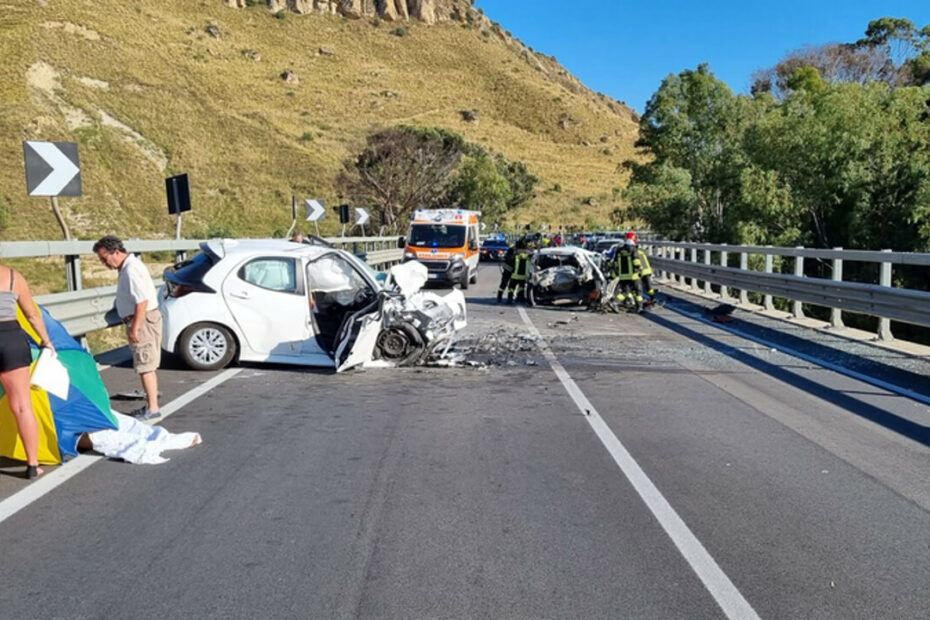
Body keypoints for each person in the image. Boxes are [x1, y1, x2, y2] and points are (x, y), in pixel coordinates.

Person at [93, 236, 162, 421]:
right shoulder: (129, 266)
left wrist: (135, 329)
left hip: (142, 320)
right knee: (146, 365)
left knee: (145, 365)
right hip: (144, 318)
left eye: (104, 258)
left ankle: (153, 409)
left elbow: (141, 301)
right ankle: (151, 405)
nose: (104, 263)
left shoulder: (131, 270)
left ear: (116, 252)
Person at [0, 263, 55, 478]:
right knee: (22, 406)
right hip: (12, 340)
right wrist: (46, 341)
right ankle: (32, 465)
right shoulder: (14, 276)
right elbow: (32, 315)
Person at [613, 238, 644, 312]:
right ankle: (640, 307)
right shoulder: (633, 250)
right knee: (638, 291)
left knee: (625, 292)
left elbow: (615, 263)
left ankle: (615, 302)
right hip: (633, 275)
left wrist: (617, 273)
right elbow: (636, 262)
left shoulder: (619, 251)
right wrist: (640, 269)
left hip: (623, 275)